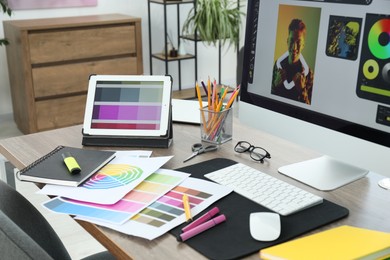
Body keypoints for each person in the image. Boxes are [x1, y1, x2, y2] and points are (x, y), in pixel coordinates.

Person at [271, 19, 314, 105]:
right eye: (291, 41)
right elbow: (267, 98)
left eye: (298, 42)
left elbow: (310, 110)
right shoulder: (278, 65)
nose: (294, 48)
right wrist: (275, 85)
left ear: (303, 45)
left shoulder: (308, 74)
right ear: (287, 41)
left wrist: (302, 91)